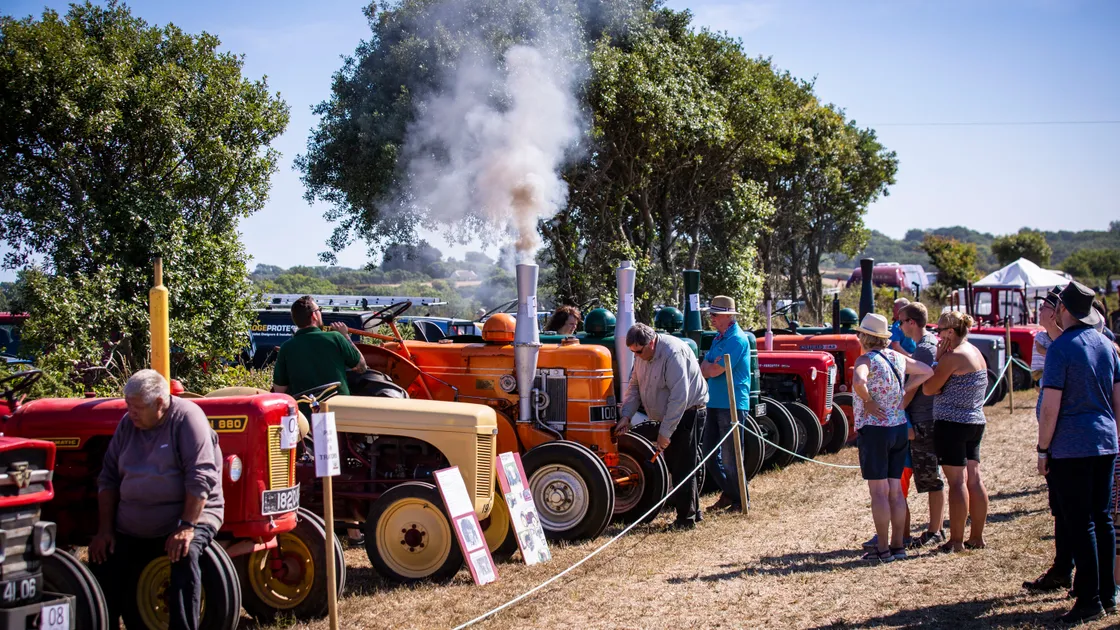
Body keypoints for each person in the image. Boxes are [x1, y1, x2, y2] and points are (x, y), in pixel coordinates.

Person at [90, 370, 224, 630]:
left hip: (189, 516)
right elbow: (107, 478)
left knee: (184, 554)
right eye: (128, 407)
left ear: (160, 403)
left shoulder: (187, 419)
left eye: (138, 408)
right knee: (102, 558)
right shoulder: (128, 424)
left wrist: (186, 526)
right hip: (134, 523)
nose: (132, 414)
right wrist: (105, 530)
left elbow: (200, 477)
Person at [1037, 281, 1120, 623]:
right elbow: (1118, 400)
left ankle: (1088, 599)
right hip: (1106, 441)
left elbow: (1050, 408)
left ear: (1063, 311)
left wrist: (1043, 449)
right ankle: (1107, 592)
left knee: (1080, 520)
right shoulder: (1107, 345)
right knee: (1102, 518)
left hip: (1072, 445)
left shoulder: (1061, 348)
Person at [272, 295, 367, 545]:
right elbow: (361, 367)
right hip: (339, 419)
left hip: (305, 424)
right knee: (348, 468)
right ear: (315, 315)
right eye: (320, 310)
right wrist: (347, 336)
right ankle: (354, 530)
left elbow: (279, 391)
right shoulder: (335, 338)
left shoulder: (288, 348)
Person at [852, 313, 933, 562]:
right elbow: (927, 371)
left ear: (865, 337)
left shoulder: (865, 359)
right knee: (895, 491)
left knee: (878, 492)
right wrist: (906, 389)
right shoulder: (897, 357)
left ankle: (883, 549)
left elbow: (858, 380)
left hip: (875, 430)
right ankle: (898, 546)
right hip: (898, 426)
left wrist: (868, 400)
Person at [615, 323, 709, 529]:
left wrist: (665, 433)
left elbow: (679, 397)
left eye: (639, 351)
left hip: (688, 412)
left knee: (682, 466)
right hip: (671, 414)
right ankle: (694, 511)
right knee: (680, 463)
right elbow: (634, 386)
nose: (636, 356)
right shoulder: (641, 355)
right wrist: (626, 416)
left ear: (652, 342)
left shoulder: (673, 353)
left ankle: (686, 520)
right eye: (633, 352)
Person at [921, 311, 990, 554]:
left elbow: (929, 388)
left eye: (939, 330)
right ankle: (977, 536)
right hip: (974, 421)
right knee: (974, 477)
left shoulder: (953, 357)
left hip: (952, 424)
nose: (937, 335)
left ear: (950, 332)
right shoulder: (975, 352)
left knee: (957, 482)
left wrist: (937, 360)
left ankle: (957, 540)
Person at [1023, 287, 1074, 593]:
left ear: (1055, 313)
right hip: (1059, 439)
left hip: (1067, 439)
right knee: (1061, 508)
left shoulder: (1066, 348)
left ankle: (1083, 578)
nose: (1038, 312)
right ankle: (1064, 567)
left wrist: (1044, 449)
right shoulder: (1046, 342)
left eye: (1043, 308)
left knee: (1075, 511)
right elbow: (1036, 376)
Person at [899, 302, 946, 548]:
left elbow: (913, 387)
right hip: (923, 418)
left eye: (902, 321)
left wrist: (897, 407)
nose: (900, 325)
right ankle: (935, 528)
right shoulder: (924, 347)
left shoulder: (925, 350)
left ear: (913, 323)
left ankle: (935, 529)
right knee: (930, 476)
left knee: (931, 477)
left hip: (924, 420)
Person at [699, 296, 751, 512]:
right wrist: (709, 366)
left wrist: (710, 366)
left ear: (729, 316)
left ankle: (740, 499)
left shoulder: (737, 340)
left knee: (730, 458)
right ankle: (732, 494)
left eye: (715, 314)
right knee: (710, 455)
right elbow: (704, 368)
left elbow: (714, 370)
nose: (711, 318)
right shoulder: (718, 339)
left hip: (732, 404)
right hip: (715, 403)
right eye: (710, 314)